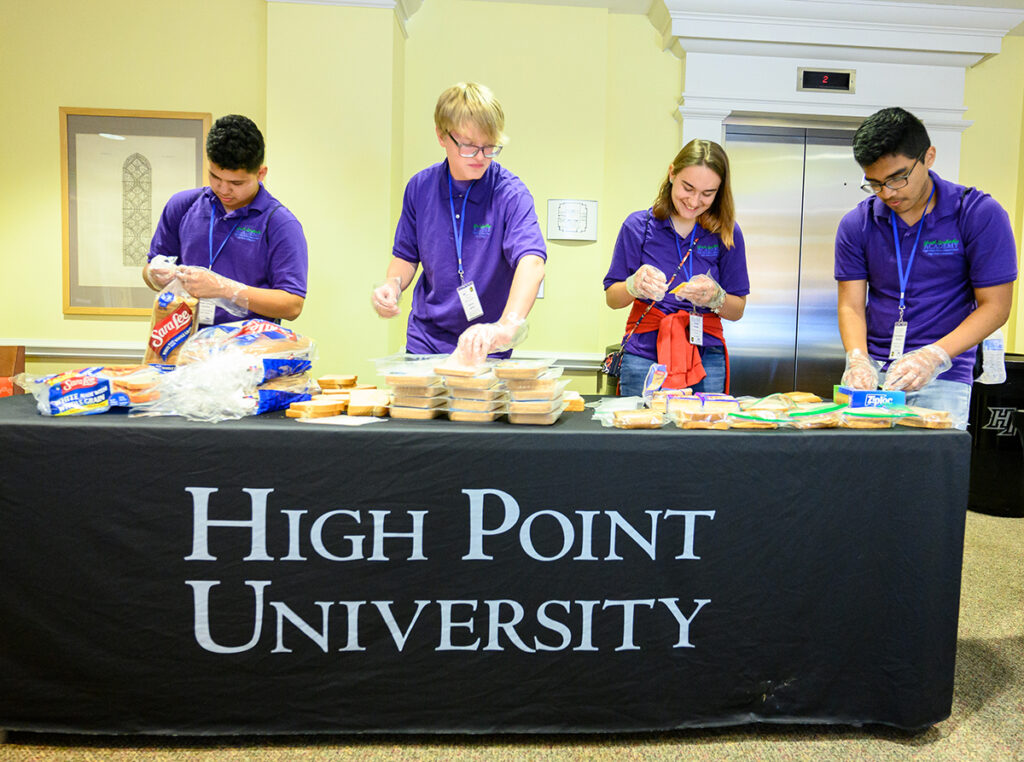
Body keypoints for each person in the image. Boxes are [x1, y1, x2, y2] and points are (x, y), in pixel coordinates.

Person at [835, 107, 1017, 430]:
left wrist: (933, 357)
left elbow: (996, 307)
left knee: (930, 476)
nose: (887, 193)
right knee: (861, 476)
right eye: (875, 183)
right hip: (873, 376)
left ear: (928, 156)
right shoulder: (857, 224)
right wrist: (858, 358)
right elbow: (851, 304)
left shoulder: (977, 214)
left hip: (944, 378)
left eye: (897, 177)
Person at [371, 82, 546, 364]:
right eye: (468, 146)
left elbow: (532, 262)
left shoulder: (510, 194)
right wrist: (392, 284)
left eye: (489, 147)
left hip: (484, 344)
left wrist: (505, 327)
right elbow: (405, 256)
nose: (480, 157)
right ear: (442, 136)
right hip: (425, 340)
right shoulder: (420, 188)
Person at [603, 139, 749, 397]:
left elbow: (737, 310)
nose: (694, 201)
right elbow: (613, 299)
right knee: (642, 431)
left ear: (720, 191)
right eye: (688, 187)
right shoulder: (639, 226)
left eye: (707, 193)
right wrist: (632, 285)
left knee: (704, 432)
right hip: (645, 352)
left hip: (706, 354)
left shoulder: (726, 233)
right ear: (672, 173)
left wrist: (717, 297)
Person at [142, 114, 308, 325]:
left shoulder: (280, 224)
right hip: (181, 342)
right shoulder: (182, 206)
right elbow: (149, 270)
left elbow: (292, 305)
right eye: (215, 177)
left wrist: (224, 288)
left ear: (261, 173)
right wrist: (155, 274)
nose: (223, 189)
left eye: (236, 183)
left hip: (249, 349)